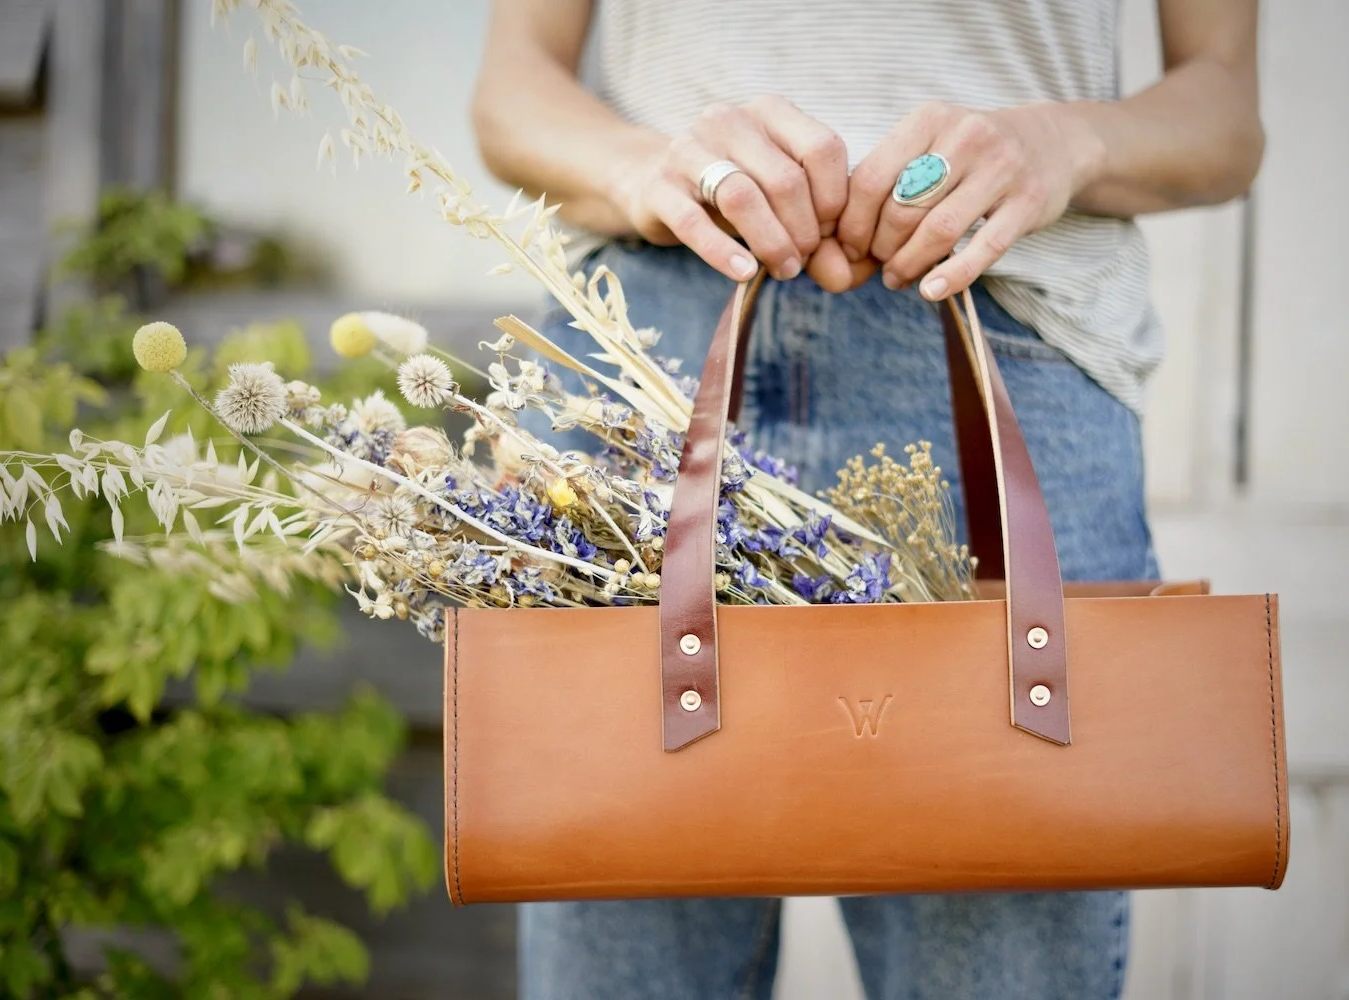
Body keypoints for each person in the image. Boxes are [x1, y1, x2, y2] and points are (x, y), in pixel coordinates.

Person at [471, 1, 1262, 997]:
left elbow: (1227, 116)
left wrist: (1061, 141)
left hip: (1004, 334)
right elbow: (511, 92)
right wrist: (646, 169)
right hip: (649, 369)